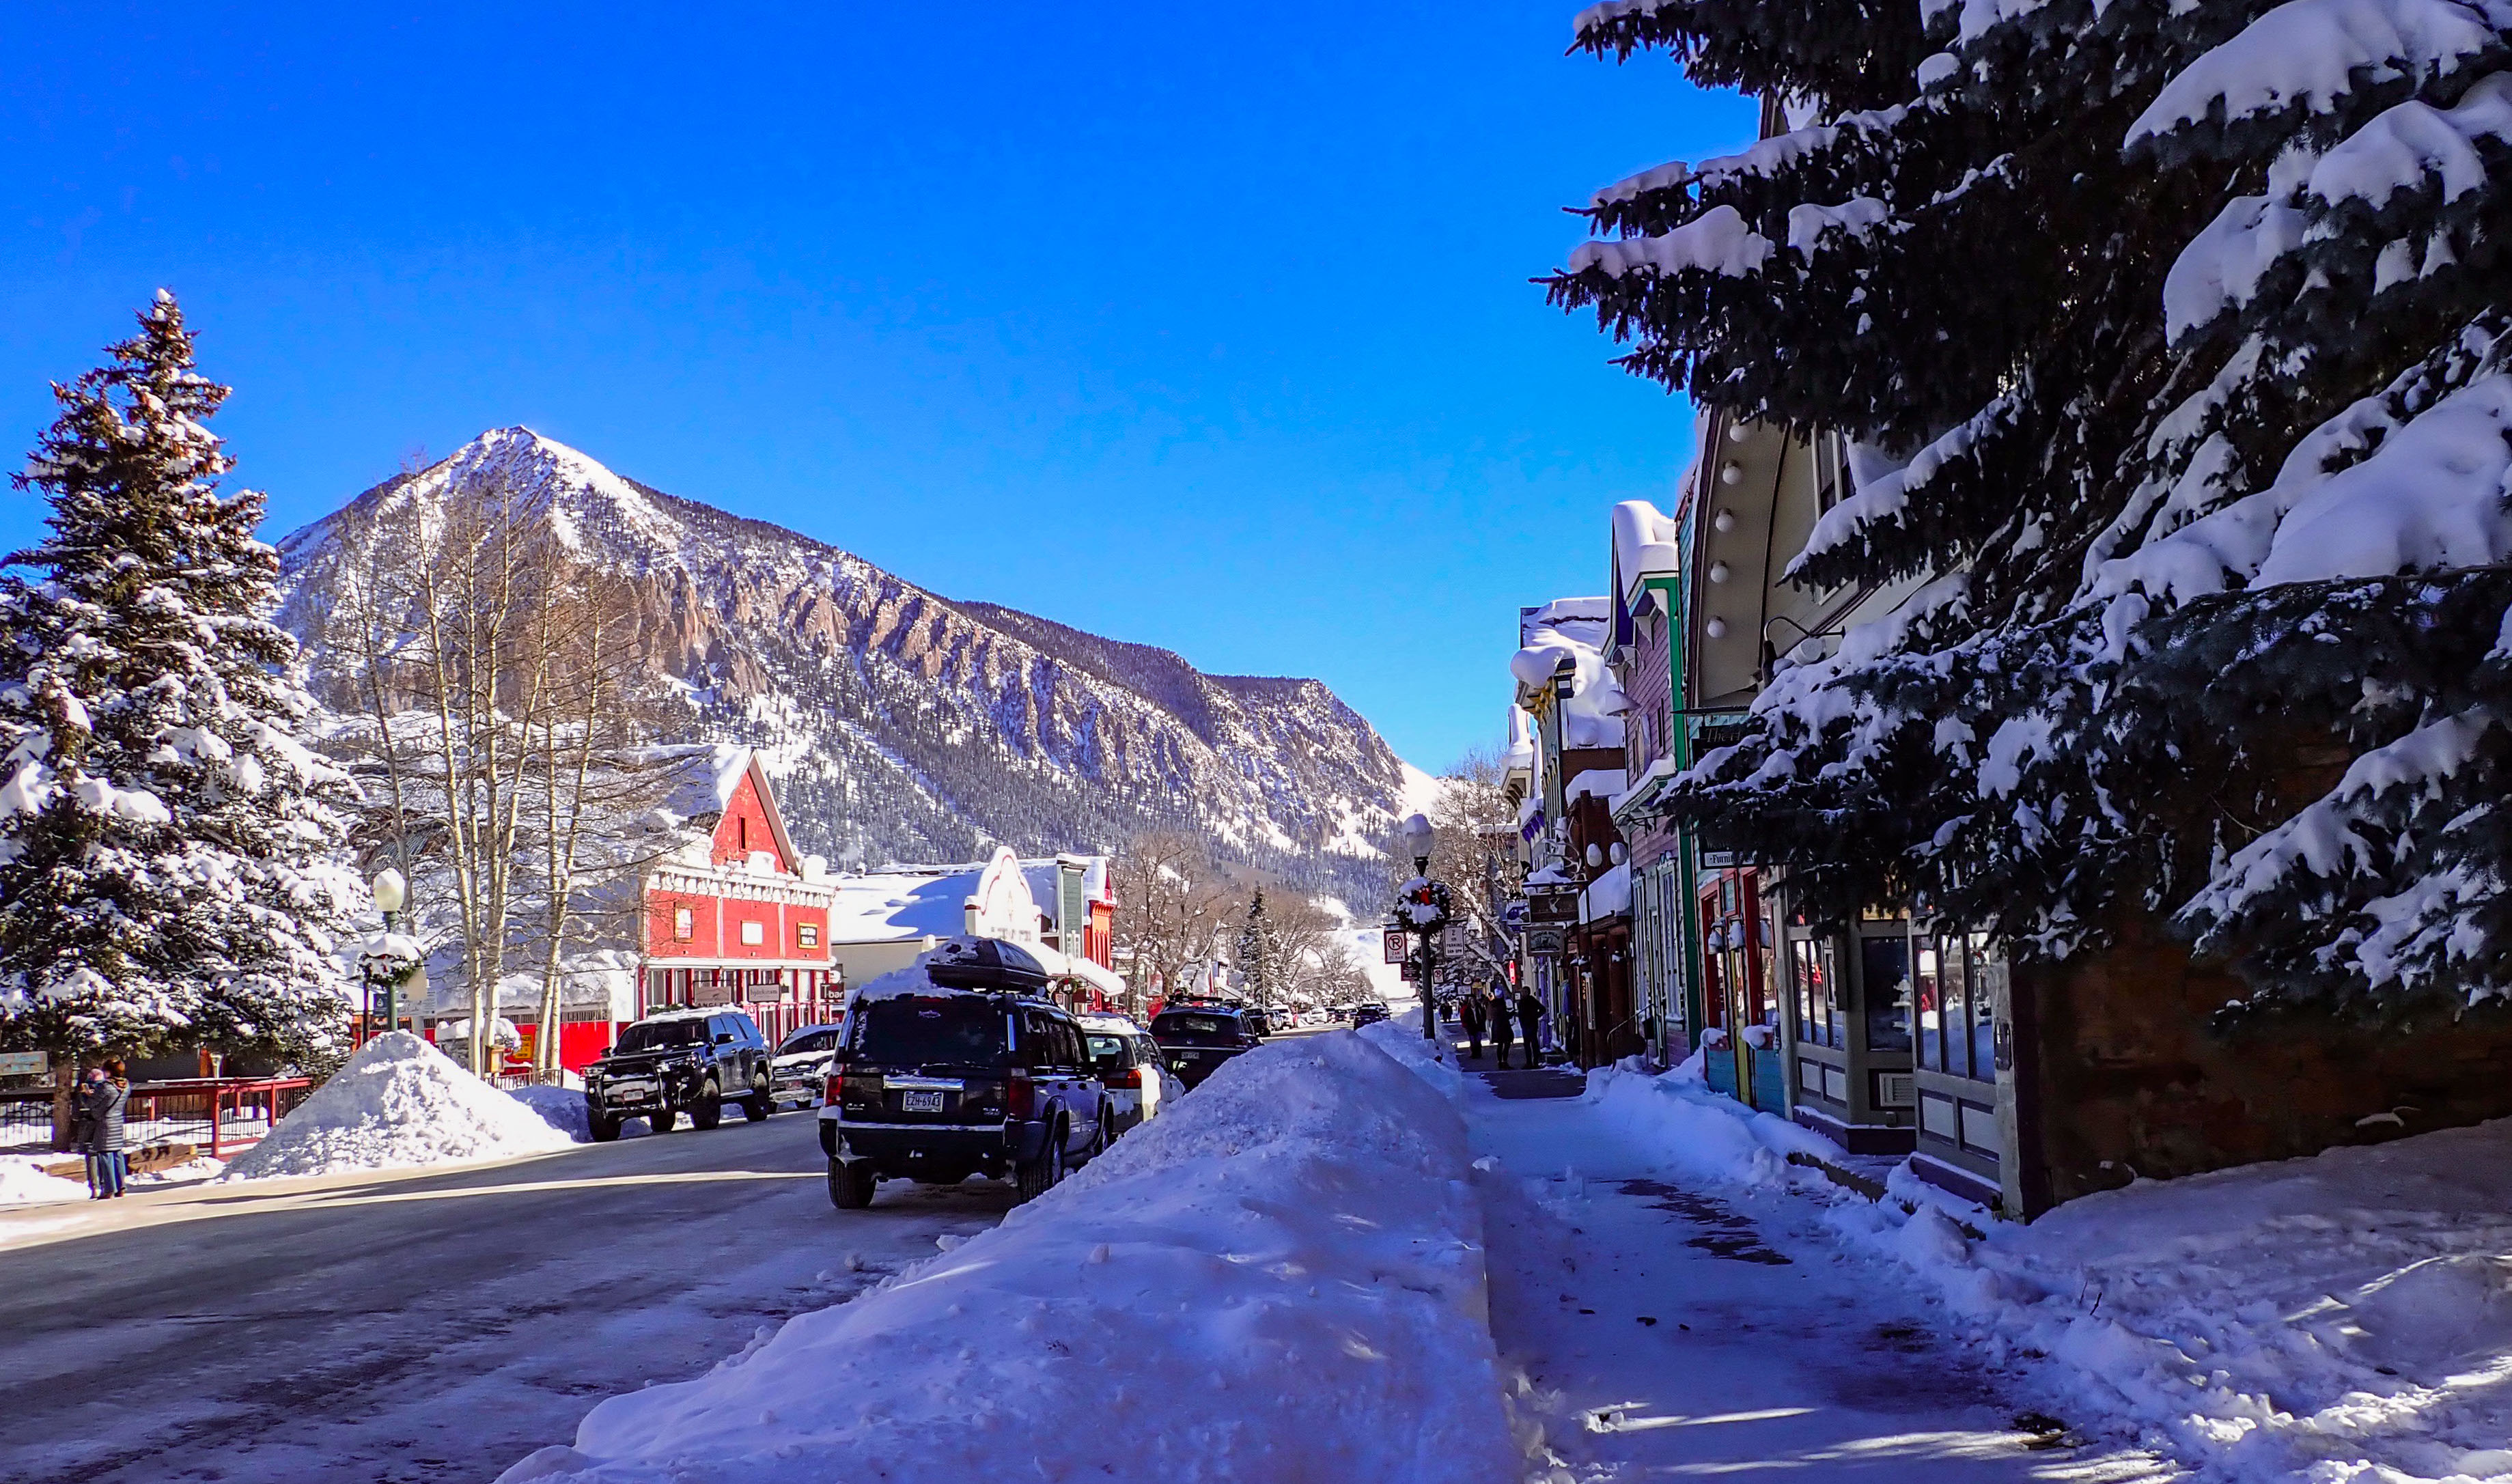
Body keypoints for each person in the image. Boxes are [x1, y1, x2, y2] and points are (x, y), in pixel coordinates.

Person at [75, 1065, 127, 1199]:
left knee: (105, 1154)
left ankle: (109, 1189)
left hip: (104, 1123)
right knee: (117, 1154)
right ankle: (121, 1187)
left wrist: (85, 1095)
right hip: (117, 1121)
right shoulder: (126, 1086)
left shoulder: (106, 1087)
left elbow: (91, 1104)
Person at [1515, 989, 1544, 1069]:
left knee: (1534, 1044)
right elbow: (1522, 1013)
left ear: (1528, 992)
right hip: (1524, 1025)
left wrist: (1535, 1016)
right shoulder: (1521, 1002)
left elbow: (1543, 1009)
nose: (1523, 993)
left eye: (1524, 992)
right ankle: (1529, 1062)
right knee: (1527, 1045)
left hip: (1532, 1025)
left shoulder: (1532, 1001)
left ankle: (1535, 1062)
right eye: (1522, 992)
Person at [1490, 986, 1516, 1067]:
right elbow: (1504, 1015)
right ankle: (1504, 1061)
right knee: (1506, 1044)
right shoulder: (1500, 1005)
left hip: (1498, 1026)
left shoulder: (1494, 1004)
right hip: (1503, 1027)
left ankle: (1500, 1062)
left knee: (1500, 1045)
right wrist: (1512, 1013)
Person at [1458, 990, 1486, 1061]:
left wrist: (1483, 1023)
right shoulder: (1468, 1009)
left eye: (1474, 1001)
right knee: (1473, 1041)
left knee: (1478, 1040)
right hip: (1471, 1027)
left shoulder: (1479, 1008)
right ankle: (1474, 1053)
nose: (1473, 1002)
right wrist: (1467, 1024)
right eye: (1471, 1001)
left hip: (1478, 1027)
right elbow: (1465, 1018)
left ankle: (1479, 1053)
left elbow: (1483, 1015)